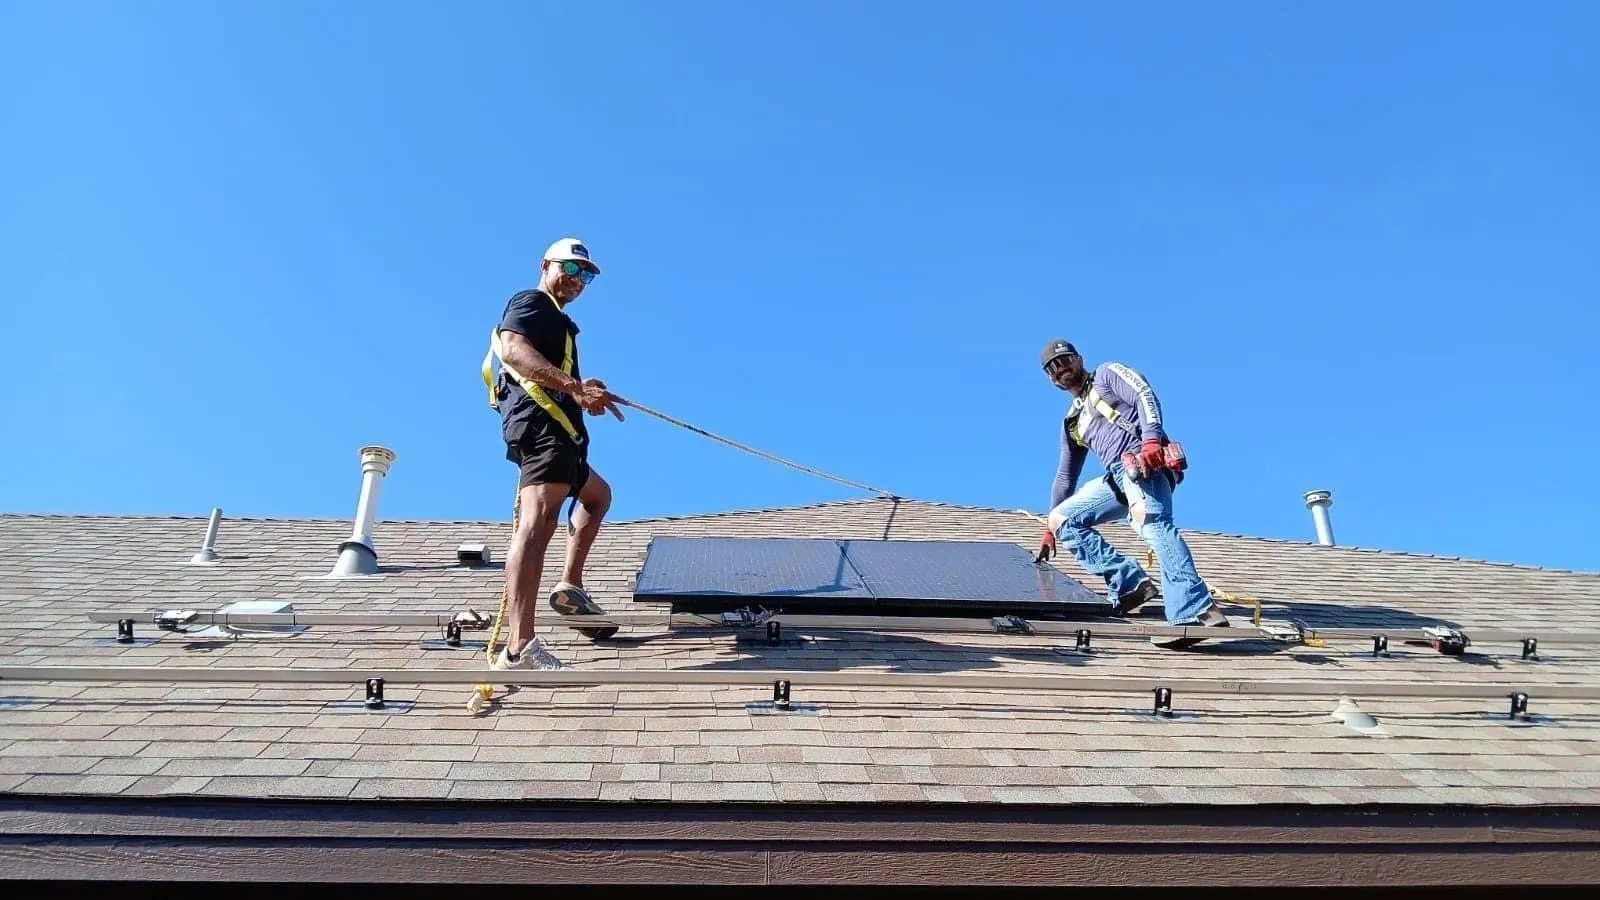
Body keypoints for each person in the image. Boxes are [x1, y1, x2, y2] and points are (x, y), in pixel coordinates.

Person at [485, 237, 625, 671]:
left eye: (586, 275)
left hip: (561, 435)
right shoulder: (531, 302)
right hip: (543, 432)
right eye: (572, 268)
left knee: (597, 496)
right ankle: (519, 647)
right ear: (547, 264)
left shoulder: (559, 323)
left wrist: (583, 393)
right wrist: (573, 387)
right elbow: (513, 350)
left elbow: (553, 373)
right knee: (538, 522)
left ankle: (570, 584)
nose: (579, 280)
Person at [1036, 338, 1229, 648]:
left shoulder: (1107, 374)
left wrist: (1152, 439)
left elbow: (1144, 395)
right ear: (1049, 379)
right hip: (1116, 475)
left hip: (1142, 460)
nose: (1061, 370)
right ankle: (1130, 584)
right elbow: (1065, 476)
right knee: (1062, 519)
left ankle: (1195, 610)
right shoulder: (1072, 420)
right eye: (1052, 369)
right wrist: (1048, 530)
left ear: (1079, 358)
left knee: (1151, 524)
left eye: (1065, 361)